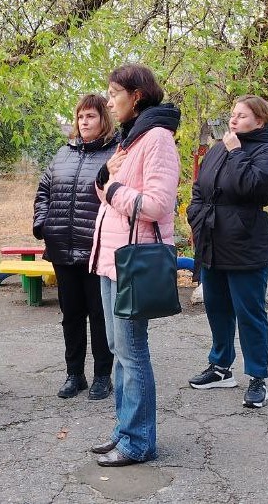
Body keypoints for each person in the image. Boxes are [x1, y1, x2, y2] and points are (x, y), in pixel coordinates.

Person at [88, 64, 180, 467]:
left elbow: (157, 205)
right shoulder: (131, 137)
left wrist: (113, 189)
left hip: (133, 260)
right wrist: (106, 184)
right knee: (117, 348)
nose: (109, 101)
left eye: (114, 93)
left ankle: (138, 440)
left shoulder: (157, 138)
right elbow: (108, 190)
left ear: (136, 95)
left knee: (132, 352)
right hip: (112, 259)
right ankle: (125, 431)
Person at [186, 95, 268, 408]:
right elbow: (199, 188)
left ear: (260, 121)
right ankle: (220, 367)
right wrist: (196, 216)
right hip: (212, 239)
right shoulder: (218, 149)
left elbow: (254, 188)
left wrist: (237, 153)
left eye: (241, 116)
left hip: (246, 242)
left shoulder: (267, 151)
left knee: (249, 312)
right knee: (217, 307)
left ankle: (257, 377)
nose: (233, 120)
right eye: (233, 114)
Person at [33, 94, 116, 400]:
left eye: (91, 116)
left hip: (96, 249)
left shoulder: (115, 153)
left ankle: (102, 376)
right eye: (80, 117)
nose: (84, 122)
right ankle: (74, 375)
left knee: (99, 314)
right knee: (71, 315)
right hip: (62, 248)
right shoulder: (63, 153)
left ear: (103, 119)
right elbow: (43, 190)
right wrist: (44, 224)